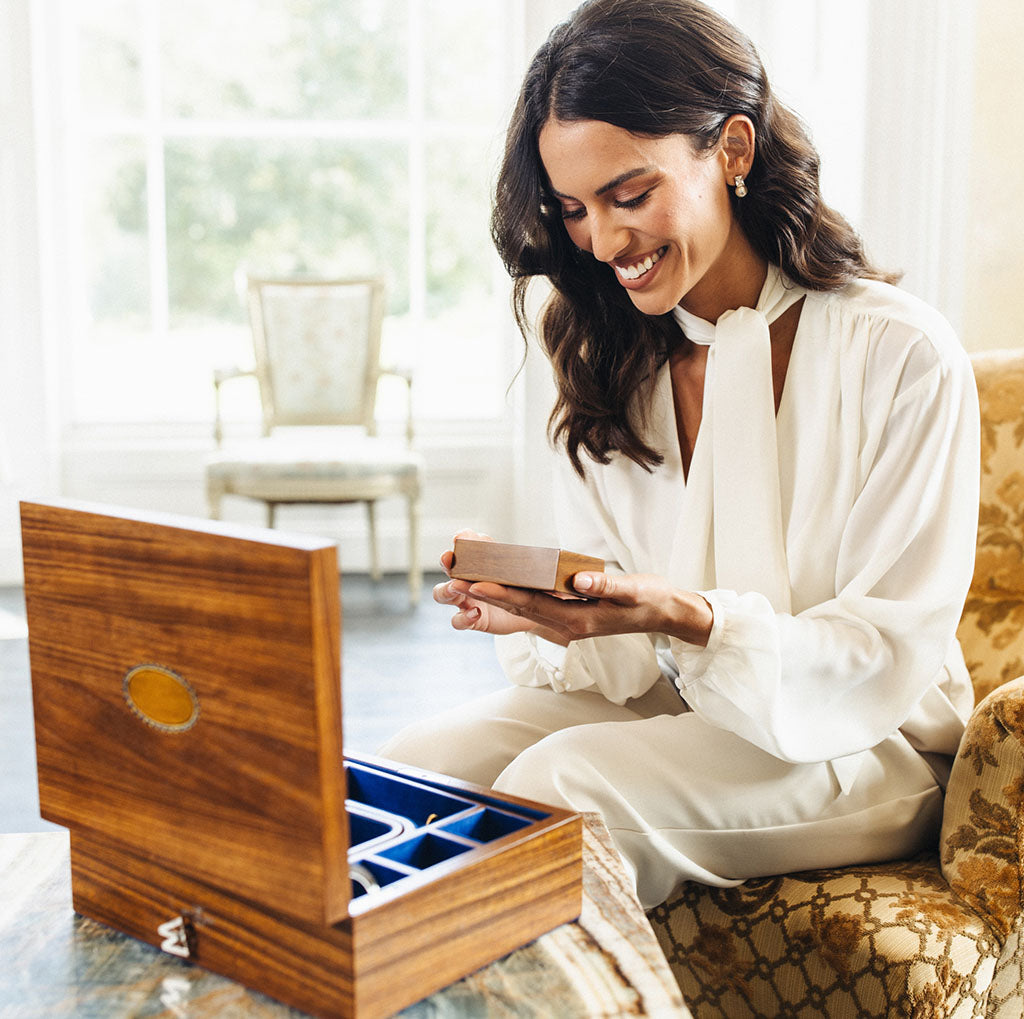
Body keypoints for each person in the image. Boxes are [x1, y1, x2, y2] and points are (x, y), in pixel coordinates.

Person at [379, 0, 979, 910]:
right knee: (408, 776)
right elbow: (631, 658)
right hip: (688, 708)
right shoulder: (606, 356)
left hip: (866, 741)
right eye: (576, 210)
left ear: (733, 151)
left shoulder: (900, 356)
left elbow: (881, 652)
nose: (606, 242)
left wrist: (692, 616)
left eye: (630, 195)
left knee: (564, 787)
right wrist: (551, 614)